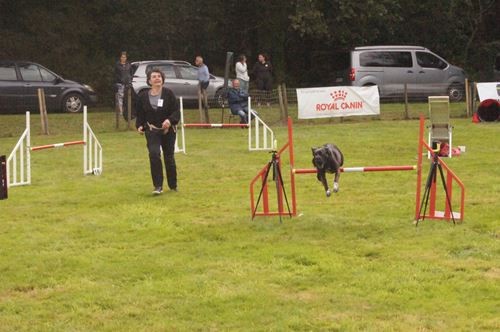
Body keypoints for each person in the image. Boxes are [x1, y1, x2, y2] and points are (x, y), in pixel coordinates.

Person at [136, 68, 180, 195]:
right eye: (154, 77)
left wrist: (170, 120)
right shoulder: (143, 96)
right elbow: (140, 114)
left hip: (168, 131)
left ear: (162, 79)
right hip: (152, 131)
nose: (157, 78)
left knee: (169, 157)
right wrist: (139, 126)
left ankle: (173, 185)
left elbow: (176, 111)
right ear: (149, 81)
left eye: (159, 76)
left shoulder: (169, 94)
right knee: (154, 155)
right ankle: (158, 186)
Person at [114, 51, 132, 115]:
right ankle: (121, 111)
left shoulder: (128, 65)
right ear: (120, 58)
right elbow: (115, 75)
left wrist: (130, 81)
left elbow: (130, 74)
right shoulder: (117, 65)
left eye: (124, 57)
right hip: (120, 83)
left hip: (127, 84)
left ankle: (127, 110)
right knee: (120, 97)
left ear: (126, 58)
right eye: (122, 57)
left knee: (127, 98)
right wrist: (117, 82)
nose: (123, 58)